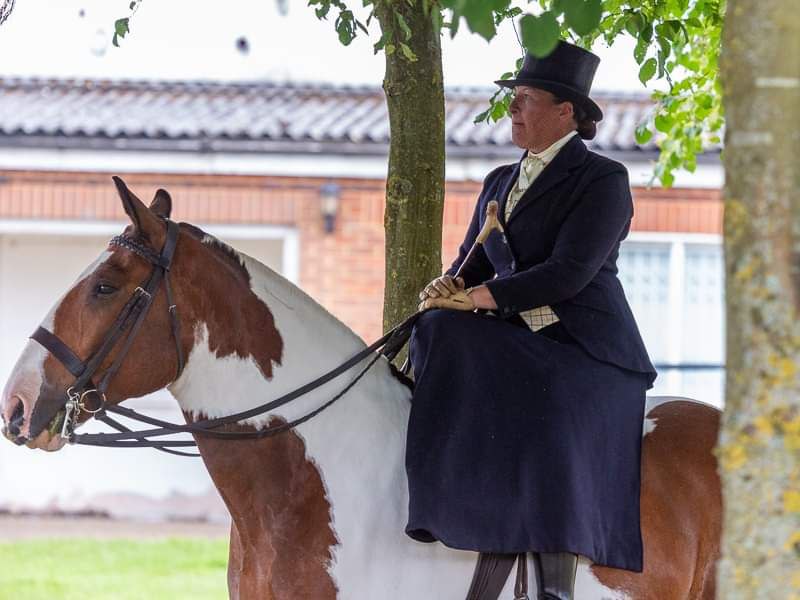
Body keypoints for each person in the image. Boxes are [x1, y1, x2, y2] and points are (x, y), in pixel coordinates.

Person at [405, 40, 658, 600]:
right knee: (434, 329)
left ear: (565, 111)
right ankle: (446, 504)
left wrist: (477, 301)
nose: (513, 110)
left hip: (585, 347)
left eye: (523, 100)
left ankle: (556, 583)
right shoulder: (499, 181)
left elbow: (567, 273)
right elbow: (470, 264)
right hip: (517, 336)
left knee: (543, 399)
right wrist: (448, 289)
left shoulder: (602, 180)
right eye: (512, 100)